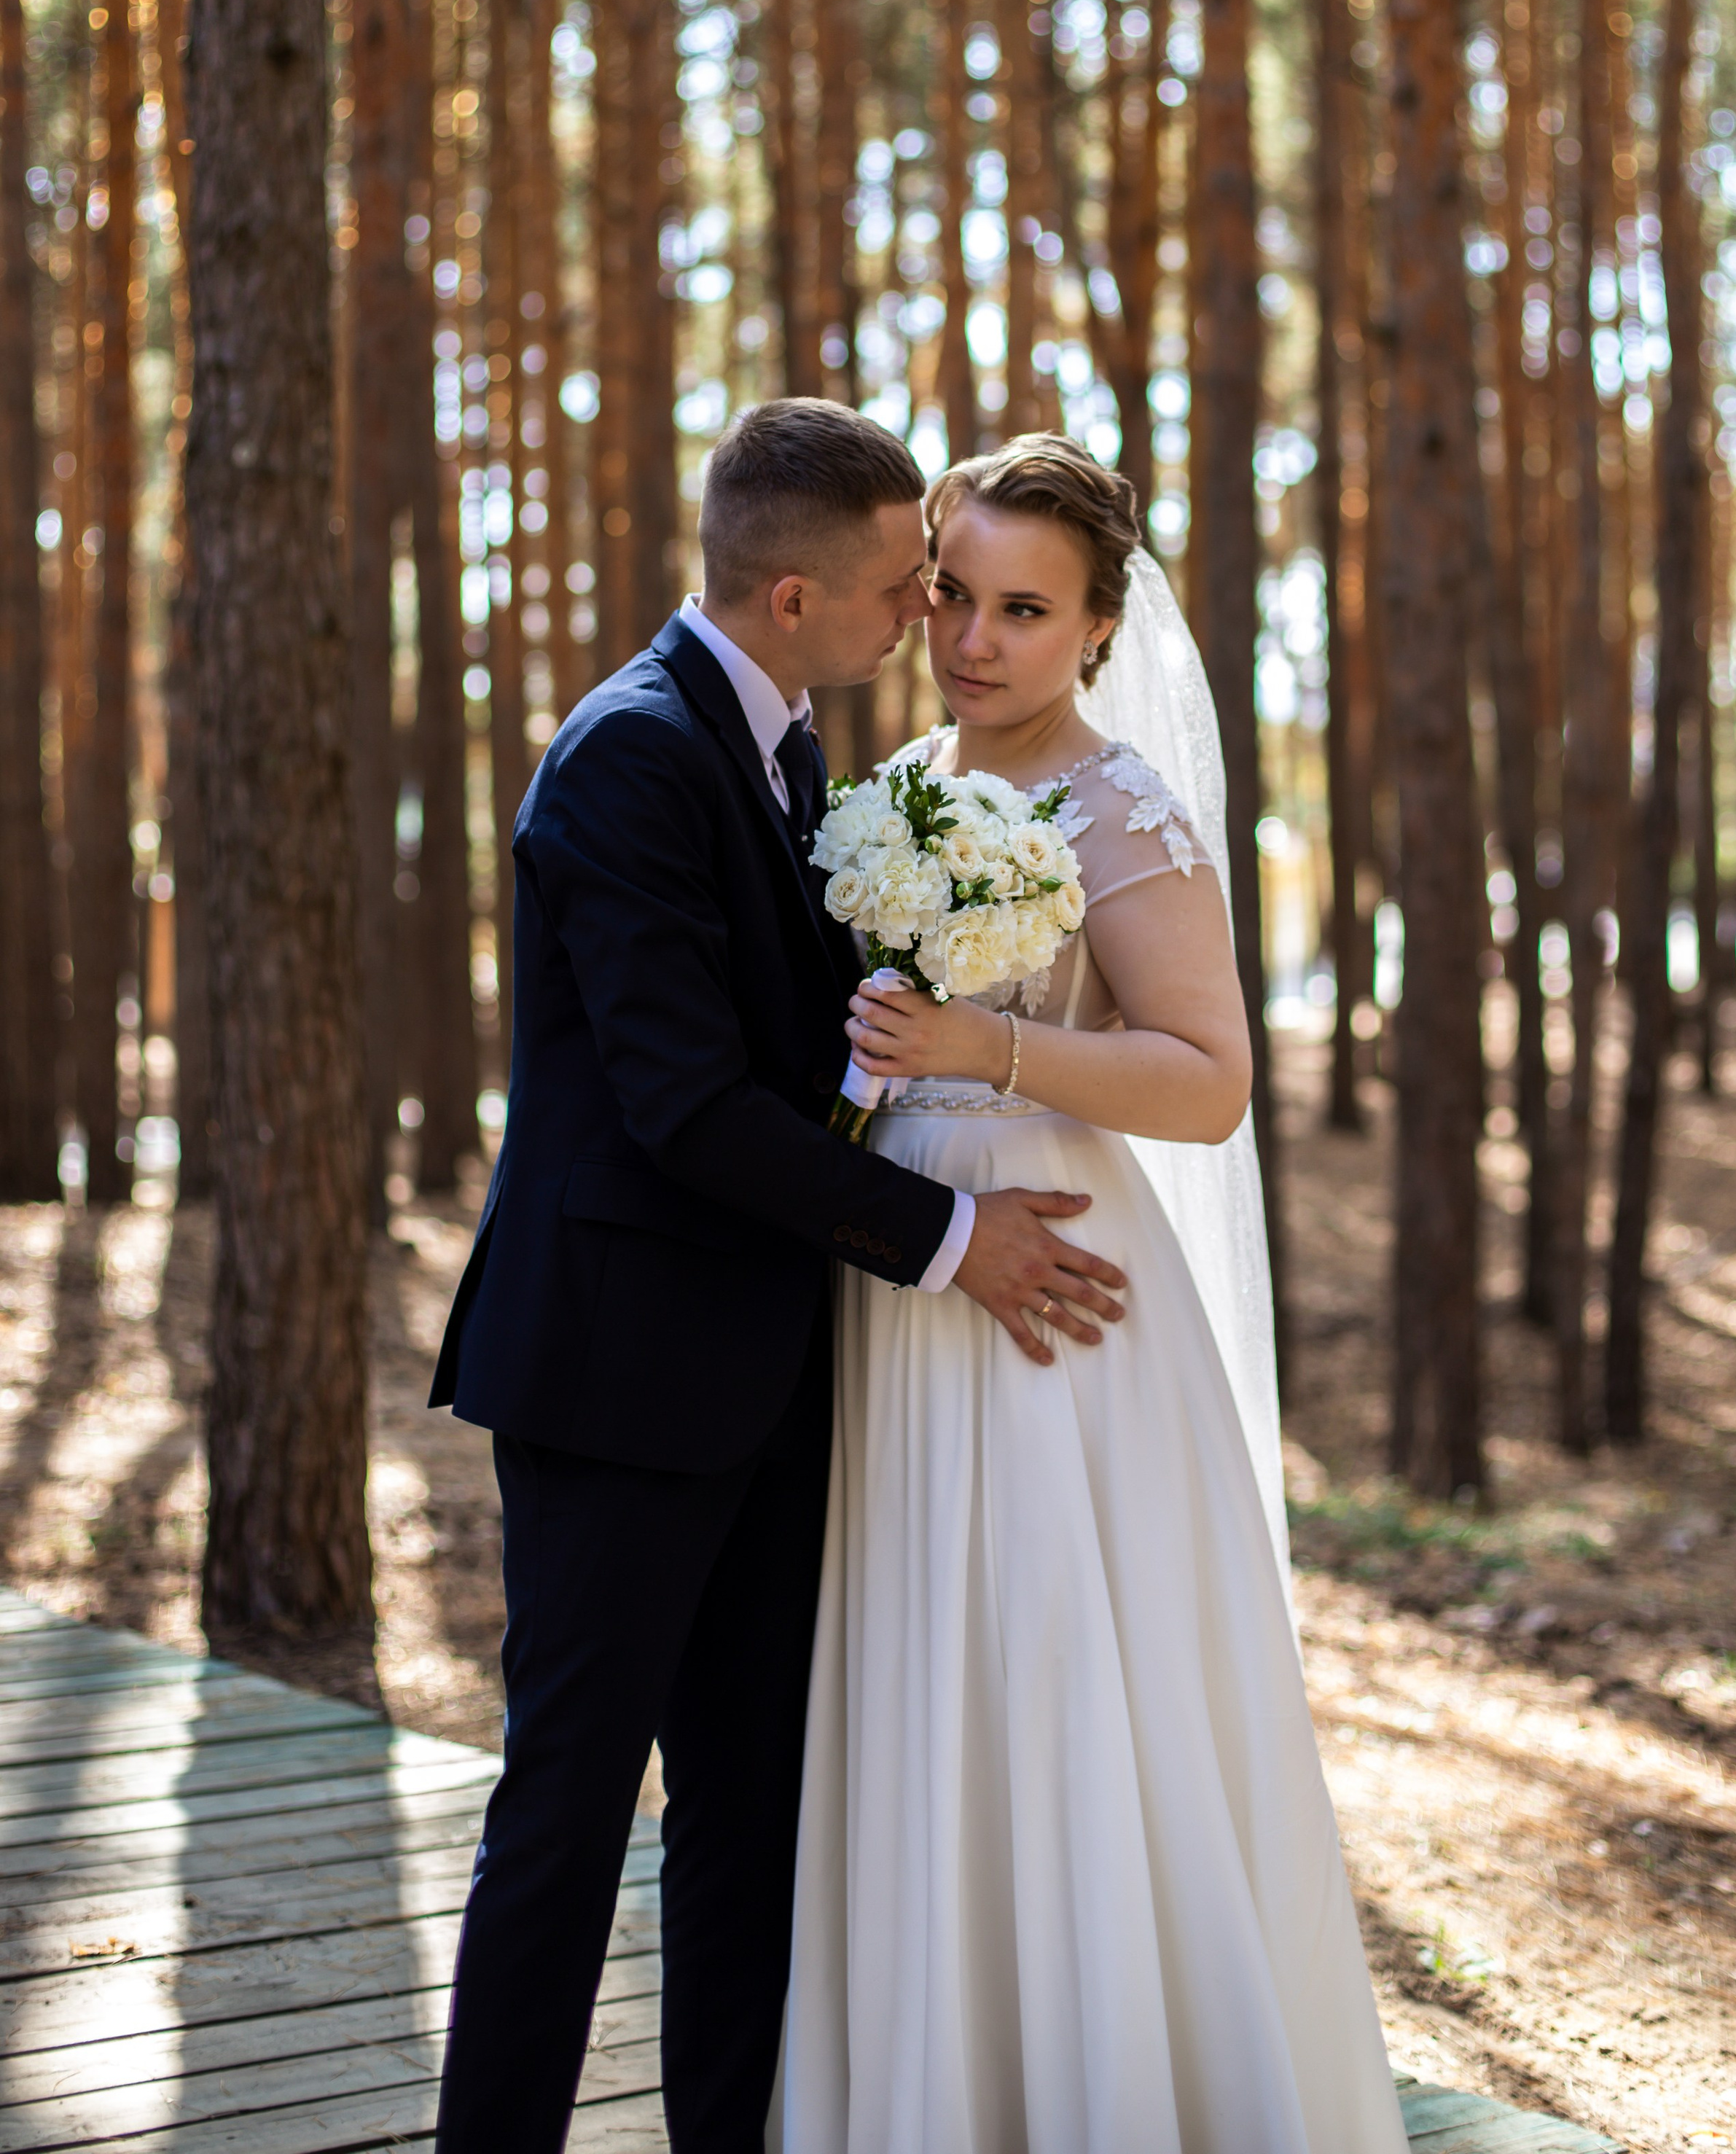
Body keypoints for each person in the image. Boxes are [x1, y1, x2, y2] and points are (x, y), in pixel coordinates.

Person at [427, 400, 1127, 2154]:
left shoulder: (792, 748)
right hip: (612, 1374)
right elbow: (679, 1108)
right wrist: (953, 1243)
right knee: (571, 1813)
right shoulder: (626, 757)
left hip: (768, 1372)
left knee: (752, 1816)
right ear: (798, 593)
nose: (932, 619)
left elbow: (790, 1043)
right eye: (906, 586)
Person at [778, 433, 1407, 2154]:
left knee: (1051, 1666)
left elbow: (1207, 1081)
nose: (974, 640)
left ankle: (1100, 2079)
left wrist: (987, 1042)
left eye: (1024, 610)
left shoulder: (1120, 811)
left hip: (1056, 1289)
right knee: (920, 1673)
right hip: (904, 1283)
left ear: (1098, 626)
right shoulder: (898, 783)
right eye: (955, 598)